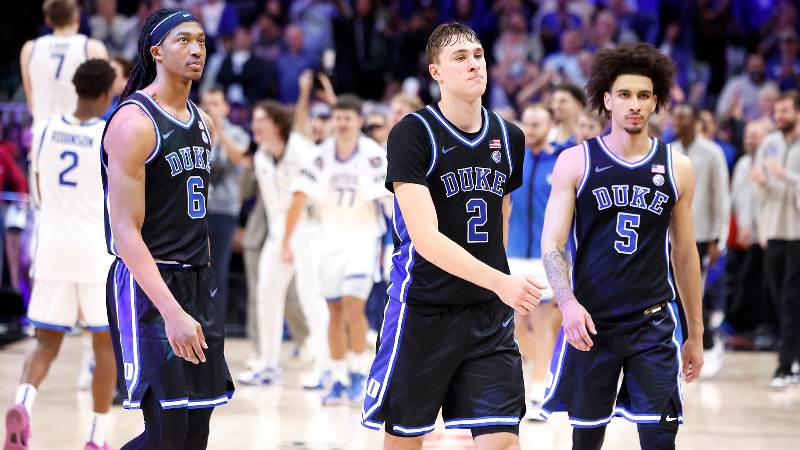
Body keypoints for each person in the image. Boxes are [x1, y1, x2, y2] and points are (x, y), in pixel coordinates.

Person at [361, 22, 544, 448]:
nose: (473, 64)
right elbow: (425, 237)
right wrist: (502, 281)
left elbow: (502, 212)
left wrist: (496, 282)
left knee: (501, 440)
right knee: (406, 439)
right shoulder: (411, 133)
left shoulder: (508, 136)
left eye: (478, 55)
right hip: (424, 310)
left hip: (486, 316)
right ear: (436, 72)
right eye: (460, 58)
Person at [539, 42, 704, 450]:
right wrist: (567, 303)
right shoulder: (576, 161)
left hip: (653, 322)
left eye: (644, 96)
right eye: (625, 95)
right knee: (587, 439)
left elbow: (684, 254)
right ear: (607, 100)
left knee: (660, 438)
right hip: (592, 324)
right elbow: (552, 245)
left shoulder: (677, 167)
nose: (635, 104)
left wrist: (696, 333)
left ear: (656, 102)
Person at [102, 9, 234, 449]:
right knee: (167, 433)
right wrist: (173, 311)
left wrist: (204, 288)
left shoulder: (203, 123)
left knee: (197, 432)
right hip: (149, 286)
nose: (196, 49)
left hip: (197, 280)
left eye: (200, 40)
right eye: (183, 40)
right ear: (156, 51)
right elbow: (124, 232)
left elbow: (194, 217)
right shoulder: (134, 123)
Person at [4, 59, 117, 450]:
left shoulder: (47, 129)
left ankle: (23, 405)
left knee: (45, 344)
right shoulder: (108, 133)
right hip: (94, 253)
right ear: (105, 94)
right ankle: (97, 438)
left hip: (51, 249)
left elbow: (37, 187)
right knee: (105, 346)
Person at [283, 94, 391, 404]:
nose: (342, 123)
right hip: (329, 242)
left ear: (359, 121)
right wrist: (286, 241)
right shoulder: (319, 156)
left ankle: (360, 372)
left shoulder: (374, 156)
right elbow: (299, 197)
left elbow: (391, 200)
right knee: (333, 309)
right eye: (338, 118)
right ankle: (339, 375)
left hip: (363, 241)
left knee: (353, 306)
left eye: (348, 118)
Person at [236, 100, 331, 389]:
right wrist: (280, 237)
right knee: (267, 293)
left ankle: (327, 366)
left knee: (310, 296)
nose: (254, 126)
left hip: (309, 228)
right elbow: (269, 204)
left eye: (260, 120)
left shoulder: (303, 151)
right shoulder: (263, 155)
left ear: (276, 124)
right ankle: (268, 364)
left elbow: (300, 200)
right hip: (280, 230)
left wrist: (287, 241)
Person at [507, 103, 561, 421]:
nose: (530, 128)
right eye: (526, 122)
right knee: (513, 326)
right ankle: (542, 368)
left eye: (537, 123)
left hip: (546, 256)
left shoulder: (562, 160)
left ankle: (540, 389)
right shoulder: (513, 160)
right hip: (513, 252)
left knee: (542, 323)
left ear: (550, 124)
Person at [670, 104, 731, 380]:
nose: (678, 121)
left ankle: (707, 344)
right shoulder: (667, 150)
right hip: (671, 235)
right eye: (676, 116)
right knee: (674, 292)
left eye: (685, 117)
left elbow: (721, 196)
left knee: (697, 291)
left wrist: (721, 236)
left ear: (696, 122)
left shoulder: (712, 152)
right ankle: (682, 348)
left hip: (703, 234)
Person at [750, 90, 800, 390]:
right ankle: (793, 356)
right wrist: (762, 184)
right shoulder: (768, 144)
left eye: (785, 111)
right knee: (779, 297)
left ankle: (785, 366)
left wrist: (786, 177)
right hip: (774, 231)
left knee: (792, 299)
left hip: (798, 234)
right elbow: (759, 193)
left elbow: (789, 182)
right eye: (777, 111)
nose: (778, 116)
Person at [200, 87, 250, 319]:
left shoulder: (238, 133)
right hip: (197, 210)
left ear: (226, 107)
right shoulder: (194, 131)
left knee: (217, 270)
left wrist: (218, 129)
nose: (211, 108)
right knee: (195, 270)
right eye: (207, 103)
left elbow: (238, 157)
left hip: (225, 211)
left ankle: (215, 328)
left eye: (216, 103)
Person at [20, 0, 108, 129]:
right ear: (77, 17)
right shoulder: (94, 48)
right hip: (81, 133)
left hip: (44, 132)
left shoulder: (29, 49)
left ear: (48, 21)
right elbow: (104, 100)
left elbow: (31, 104)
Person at [549, 83, 586, 152]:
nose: (556, 106)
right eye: (554, 101)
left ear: (578, 105)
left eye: (562, 101)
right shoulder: (549, 137)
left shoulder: (586, 136)